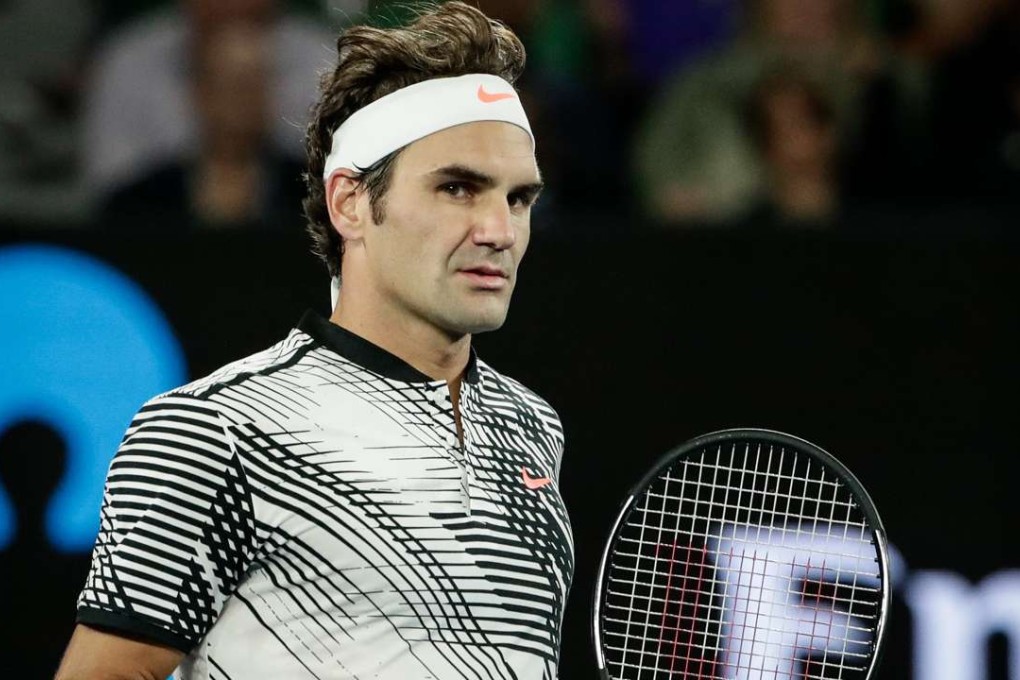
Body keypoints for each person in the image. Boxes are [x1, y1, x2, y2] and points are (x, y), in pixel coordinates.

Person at [54, 3, 574, 678]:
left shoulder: (533, 429)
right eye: (457, 188)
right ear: (350, 202)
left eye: (518, 198)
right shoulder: (209, 432)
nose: (499, 230)